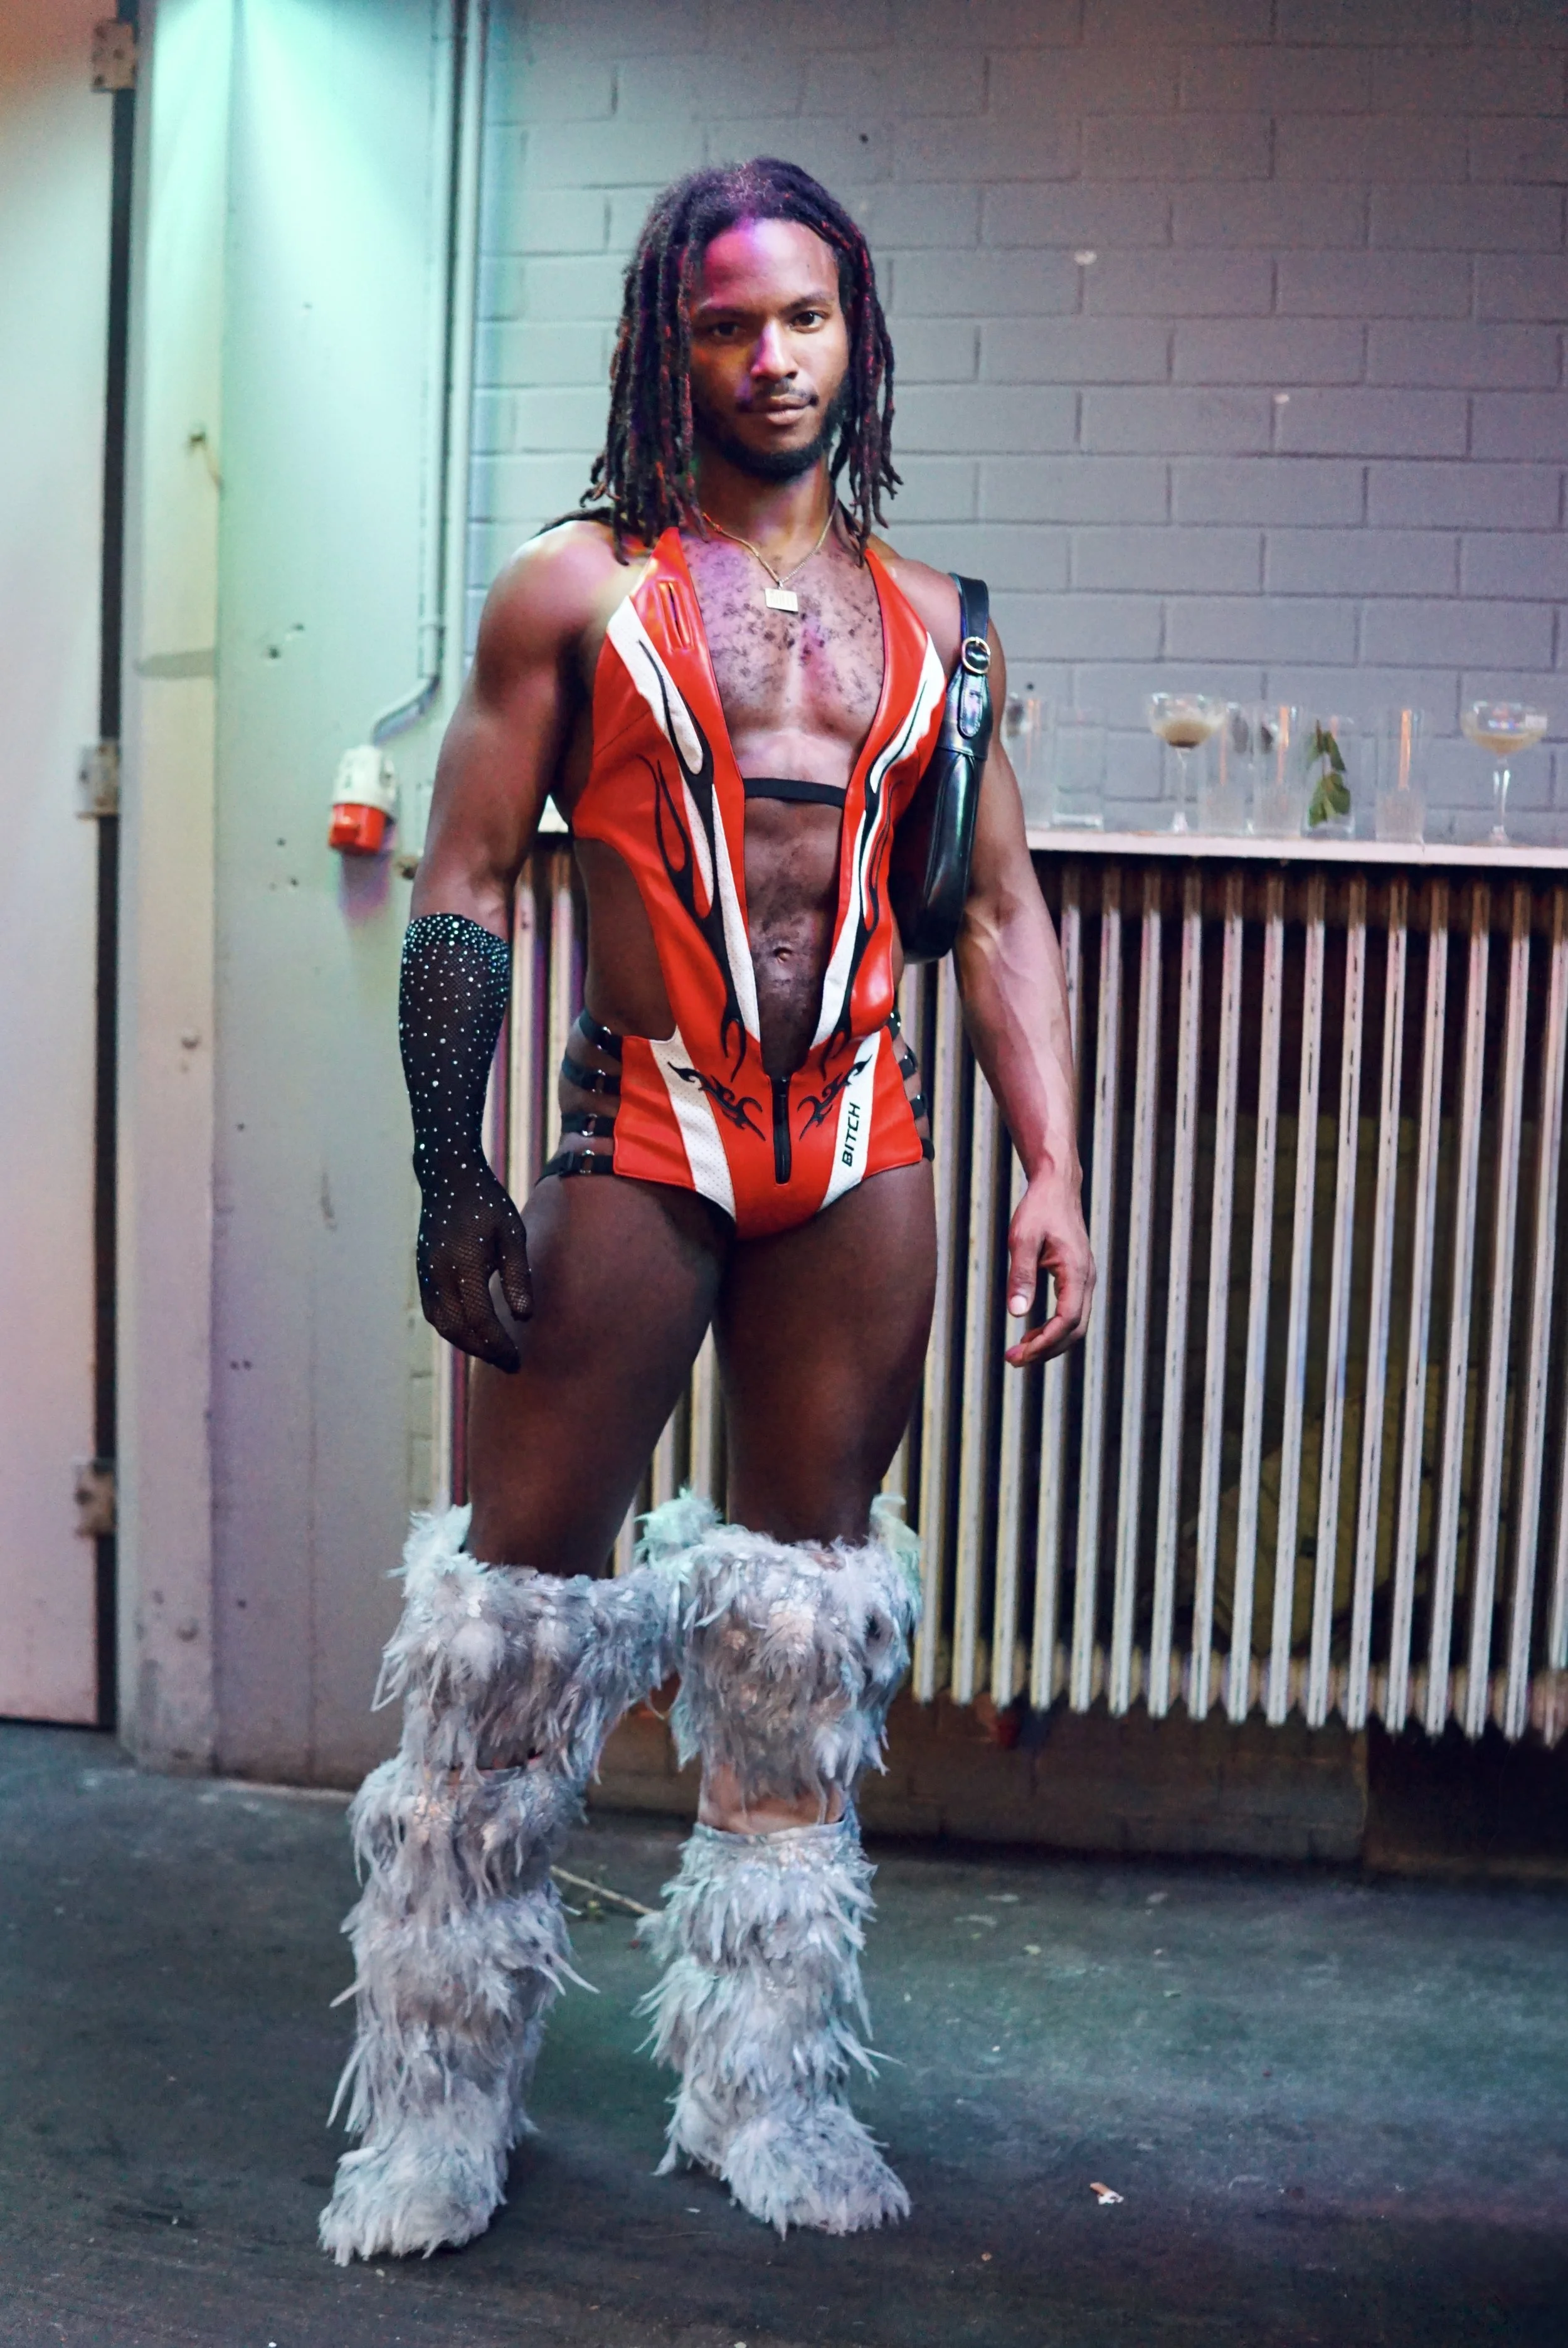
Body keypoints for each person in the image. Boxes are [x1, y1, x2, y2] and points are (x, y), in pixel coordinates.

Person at [320, 157, 1091, 2265]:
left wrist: (1055, 1171)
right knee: (502, 1648)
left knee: (793, 1648)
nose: (772, 358)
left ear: (863, 336)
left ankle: (759, 2096)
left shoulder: (944, 626)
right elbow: (465, 883)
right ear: (676, 340)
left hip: (858, 1143)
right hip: (639, 1126)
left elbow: (1004, 913)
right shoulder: (570, 591)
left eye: (807, 319)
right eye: (730, 323)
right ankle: (428, 2116)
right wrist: (446, 1160)